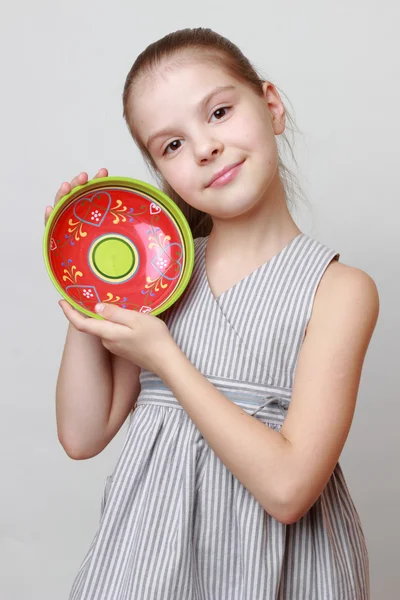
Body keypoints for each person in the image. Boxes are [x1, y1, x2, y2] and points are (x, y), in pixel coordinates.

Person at [45, 27, 379, 600]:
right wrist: (85, 283)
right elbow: (81, 434)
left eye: (219, 112)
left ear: (271, 106)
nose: (203, 148)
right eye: (170, 145)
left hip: (276, 568)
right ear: (158, 170)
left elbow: (289, 490)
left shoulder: (339, 291)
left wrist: (165, 359)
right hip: (149, 559)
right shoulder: (164, 281)